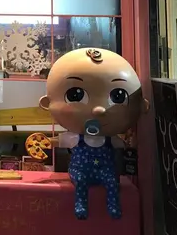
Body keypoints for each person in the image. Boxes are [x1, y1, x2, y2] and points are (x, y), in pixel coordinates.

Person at [39, 48, 148, 219]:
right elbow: (57, 141)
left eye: (118, 96)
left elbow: (124, 145)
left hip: (105, 170)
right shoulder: (78, 138)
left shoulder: (110, 139)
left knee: (112, 182)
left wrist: (132, 143)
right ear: (47, 103)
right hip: (80, 169)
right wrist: (43, 142)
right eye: (76, 95)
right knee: (81, 181)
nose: (99, 109)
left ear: (142, 106)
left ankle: (113, 207)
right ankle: (81, 205)